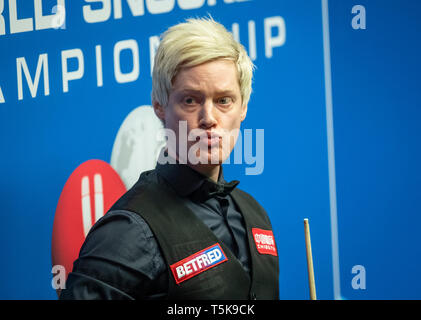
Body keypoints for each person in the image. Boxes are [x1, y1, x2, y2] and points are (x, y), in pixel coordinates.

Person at [60, 17, 279, 300]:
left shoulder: (254, 215)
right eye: (190, 100)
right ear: (159, 106)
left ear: (243, 108)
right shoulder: (129, 232)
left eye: (224, 100)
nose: (209, 118)